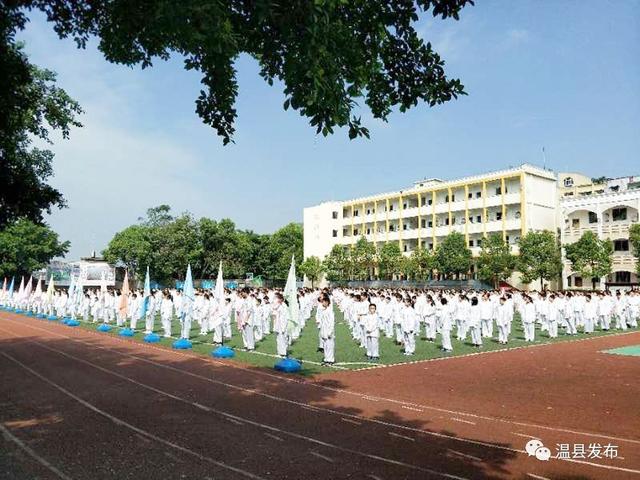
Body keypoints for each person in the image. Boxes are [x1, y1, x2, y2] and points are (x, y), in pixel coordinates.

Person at [317, 294, 335, 364]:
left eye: (324, 302)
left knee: (330, 346)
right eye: (322, 302)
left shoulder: (330, 311)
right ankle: (326, 359)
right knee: (325, 346)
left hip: (328, 330)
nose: (323, 303)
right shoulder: (323, 311)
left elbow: (331, 322)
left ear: (327, 303)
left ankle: (330, 360)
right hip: (323, 330)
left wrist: (330, 332)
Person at [272, 293, 289, 357]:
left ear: (281, 299)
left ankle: (284, 353)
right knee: (278, 339)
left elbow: (285, 317)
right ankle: (279, 353)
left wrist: (283, 327)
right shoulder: (279, 305)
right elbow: (274, 310)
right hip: (278, 324)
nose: (277, 300)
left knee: (283, 339)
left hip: (283, 324)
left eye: (278, 298)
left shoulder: (284, 306)